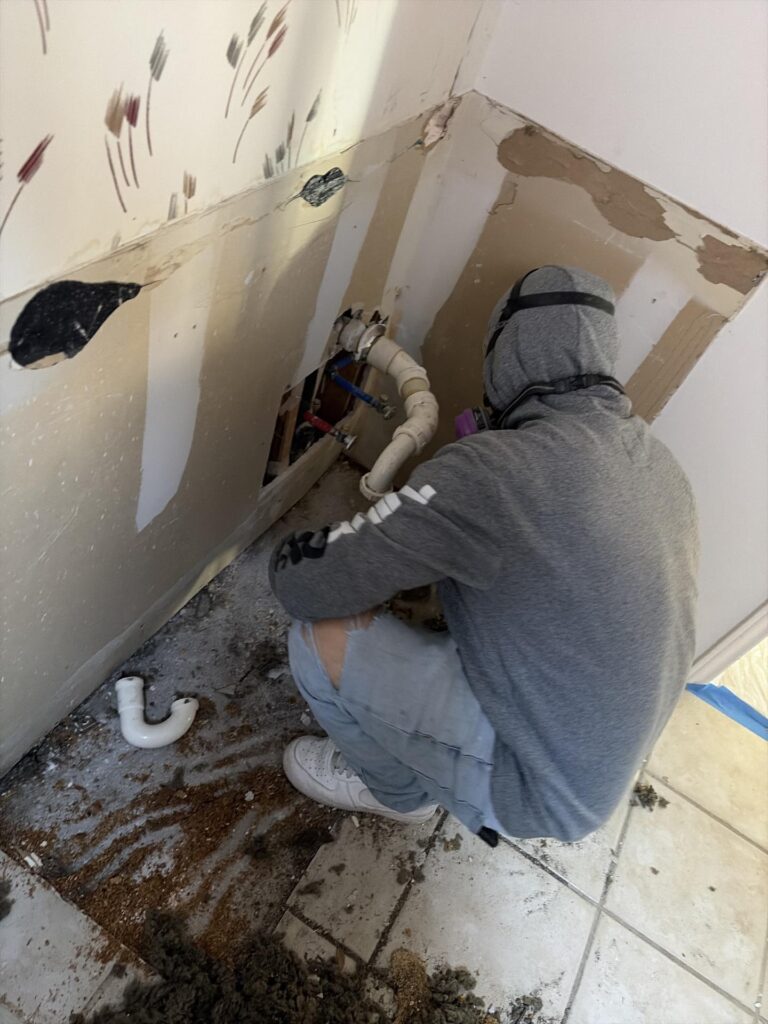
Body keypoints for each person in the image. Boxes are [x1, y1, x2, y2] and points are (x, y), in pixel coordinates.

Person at [269, 265, 699, 845]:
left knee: (316, 643)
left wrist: (291, 551)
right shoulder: (659, 464)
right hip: (600, 753)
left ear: (505, 355)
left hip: (540, 786)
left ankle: (397, 794)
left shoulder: (499, 469)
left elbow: (308, 587)